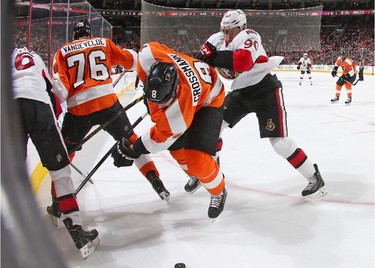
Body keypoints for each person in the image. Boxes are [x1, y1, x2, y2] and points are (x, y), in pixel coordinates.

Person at [193, 9, 326, 201]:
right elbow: (198, 62)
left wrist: (211, 57)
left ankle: (314, 177)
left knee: (279, 143)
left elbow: (242, 62)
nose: (227, 34)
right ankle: (211, 173)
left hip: (265, 90)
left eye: (231, 30)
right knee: (212, 128)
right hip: (241, 92)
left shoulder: (250, 35)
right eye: (224, 29)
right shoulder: (217, 39)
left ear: (242, 27)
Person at [51, 19, 170, 210]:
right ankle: (157, 182)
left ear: (74, 35)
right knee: (131, 141)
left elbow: (61, 91)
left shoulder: (62, 51)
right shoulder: (103, 43)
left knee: (64, 153)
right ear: (89, 34)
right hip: (108, 102)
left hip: (79, 110)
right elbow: (131, 61)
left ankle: (57, 203)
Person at [111, 41, 228, 219]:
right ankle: (196, 177)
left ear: (175, 91)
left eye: (164, 102)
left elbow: (159, 139)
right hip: (193, 82)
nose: (158, 105)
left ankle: (219, 191)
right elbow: (150, 47)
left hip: (210, 98)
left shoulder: (178, 114)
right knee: (176, 149)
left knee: (197, 159)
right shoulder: (148, 56)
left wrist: (134, 149)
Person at [11, 47, 99, 259]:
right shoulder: (37, 58)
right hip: (39, 107)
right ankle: (77, 231)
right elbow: (57, 95)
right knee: (61, 173)